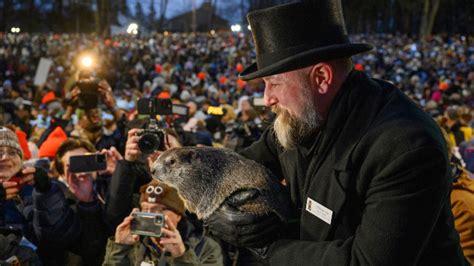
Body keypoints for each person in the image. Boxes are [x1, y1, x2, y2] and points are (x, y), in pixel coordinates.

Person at [204, 1, 467, 265]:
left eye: (275, 83)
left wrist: (268, 249)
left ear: (321, 78)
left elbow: (367, 261)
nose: (268, 98)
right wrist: (184, 175)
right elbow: (239, 165)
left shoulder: (406, 146)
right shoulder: (302, 117)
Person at [103, 179, 224, 265]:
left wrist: (181, 256)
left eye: (160, 210)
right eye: (145, 209)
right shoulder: (135, 242)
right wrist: (120, 248)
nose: (150, 215)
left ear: (179, 215)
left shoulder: (206, 248)